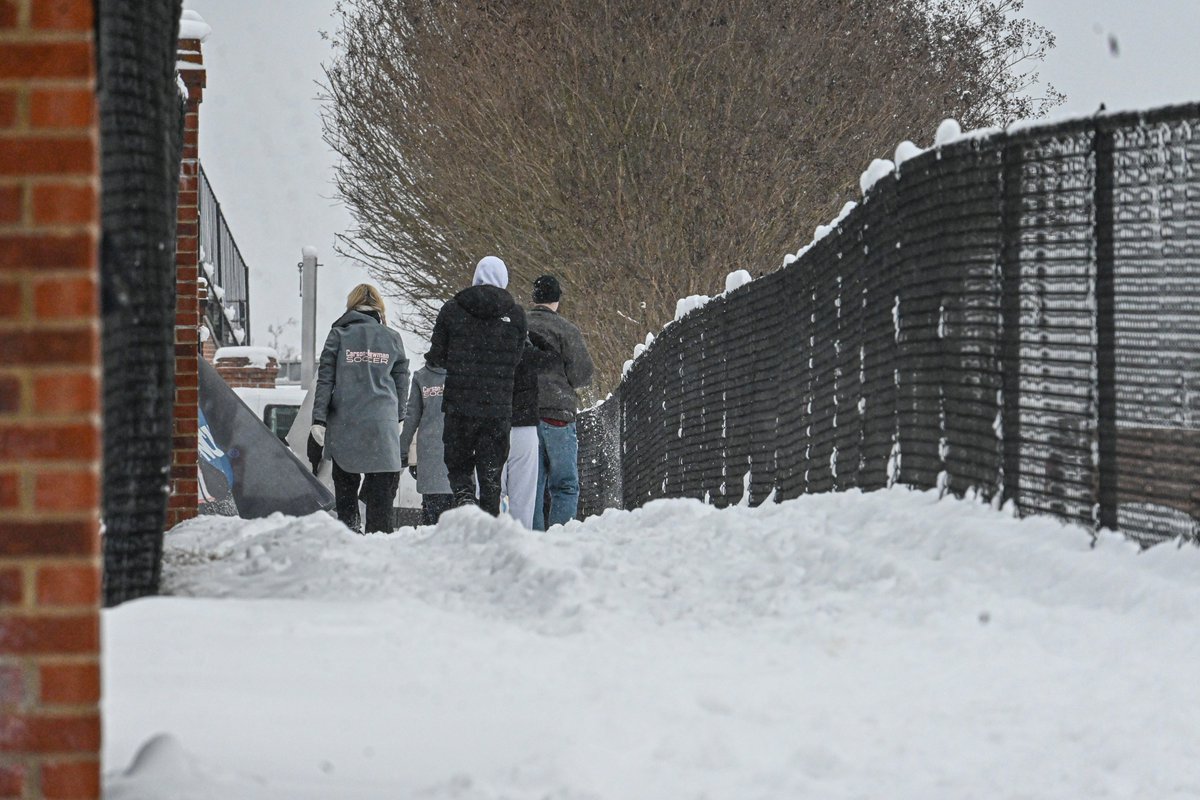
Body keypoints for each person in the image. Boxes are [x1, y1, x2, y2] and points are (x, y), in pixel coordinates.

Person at [426, 256, 527, 514]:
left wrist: (461, 361)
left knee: (458, 465)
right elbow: (517, 358)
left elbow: (436, 356)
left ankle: (464, 498)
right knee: (491, 474)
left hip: (460, 405)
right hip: (497, 407)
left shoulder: (452, 310)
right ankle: (488, 519)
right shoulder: (515, 315)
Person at [311, 284, 409, 533]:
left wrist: (319, 420)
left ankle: (350, 534)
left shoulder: (338, 335)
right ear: (379, 307)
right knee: (381, 500)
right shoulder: (392, 337)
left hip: (346, 423)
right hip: (383, 425)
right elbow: (401, 379)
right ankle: (379, 539)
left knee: (346, 493)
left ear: (352, 306)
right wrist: (399, 416)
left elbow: (325, 380)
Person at [527, 274, 595, 530]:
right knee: (565, 484)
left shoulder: (519, 326)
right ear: (557, 299)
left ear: (533, 298)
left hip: (524, 415)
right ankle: (560, 537)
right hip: (558, 414)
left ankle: (533, 539)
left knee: (531, 485)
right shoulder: (567, 330)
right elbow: (583, 374)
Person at [501, 335, 554, 529]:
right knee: (523, 499)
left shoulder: (486, 348)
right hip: (524, 427)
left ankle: (492, 537)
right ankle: (520, 538)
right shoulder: (527, 352)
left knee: (490, 494)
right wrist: (532, 335)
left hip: (491, 427)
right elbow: (552, 357)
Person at [398, 364, 453, 525]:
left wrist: (402, 452)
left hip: (431, 462)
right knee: (458, 528)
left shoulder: (422, 376)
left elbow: (411, 419)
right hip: (460, 463)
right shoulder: (465, 372)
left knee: (432, 524)